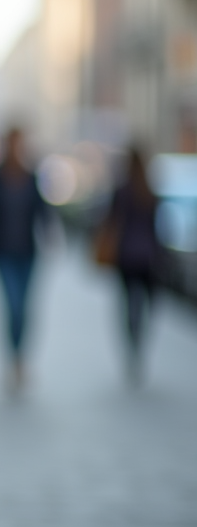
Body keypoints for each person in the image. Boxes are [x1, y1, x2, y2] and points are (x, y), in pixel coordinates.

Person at [0, 127, 49, 390]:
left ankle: (20, 358)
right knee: (13, 306)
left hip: (28, 254)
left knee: (25, 309)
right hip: (2, 253)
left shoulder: (31, 177)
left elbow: (42, 212)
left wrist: (51, 237)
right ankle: (13, 358)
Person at [99, 147, 161, 382]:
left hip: (126, 256)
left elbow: (111, 222)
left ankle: (132, 343)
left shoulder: (122, 191)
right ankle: (138, 340)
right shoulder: (150, 191)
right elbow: (156, 229)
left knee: (128, 305)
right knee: (144, 305)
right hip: (146, 258)